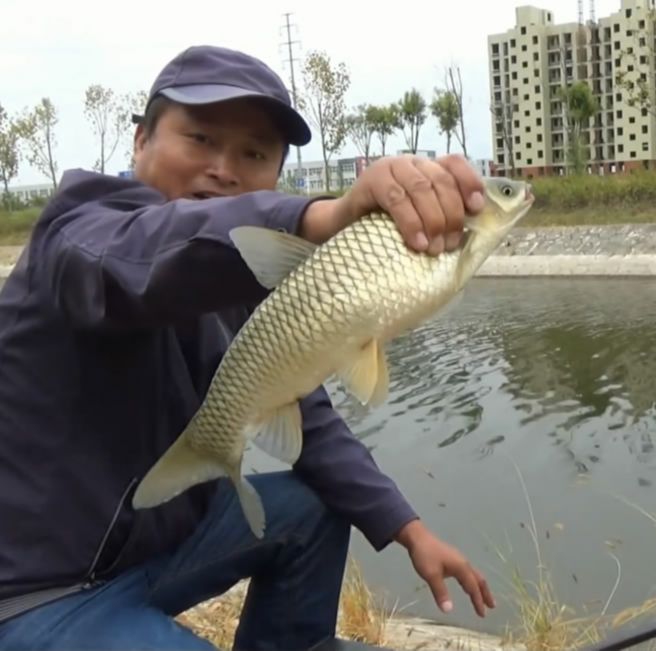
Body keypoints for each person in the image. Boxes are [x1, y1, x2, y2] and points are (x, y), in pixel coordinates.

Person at [0, 44, 495, 651]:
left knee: (313, 506)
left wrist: (409, 530)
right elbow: (151, 254)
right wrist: (321, 217)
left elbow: (305, 411)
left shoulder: (236, 284)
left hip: (148, 553)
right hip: (35, 590)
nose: (225, 169)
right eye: (201, 139)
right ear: (139, 142)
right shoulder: (79, 231)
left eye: (254, 153)